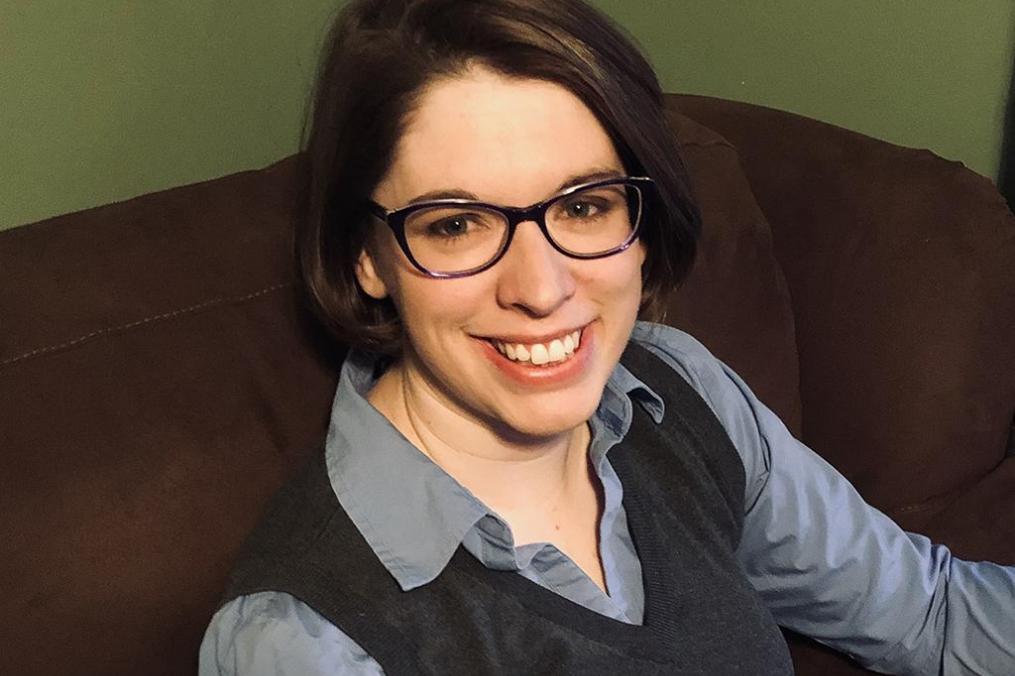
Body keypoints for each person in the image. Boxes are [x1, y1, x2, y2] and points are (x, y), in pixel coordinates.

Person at [199, 0, 1015, 673]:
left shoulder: (677, 389)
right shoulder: (305, 638)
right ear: (364, 255)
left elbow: (929, 613)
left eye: (583, 206)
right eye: (454, 224)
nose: (541, 289)